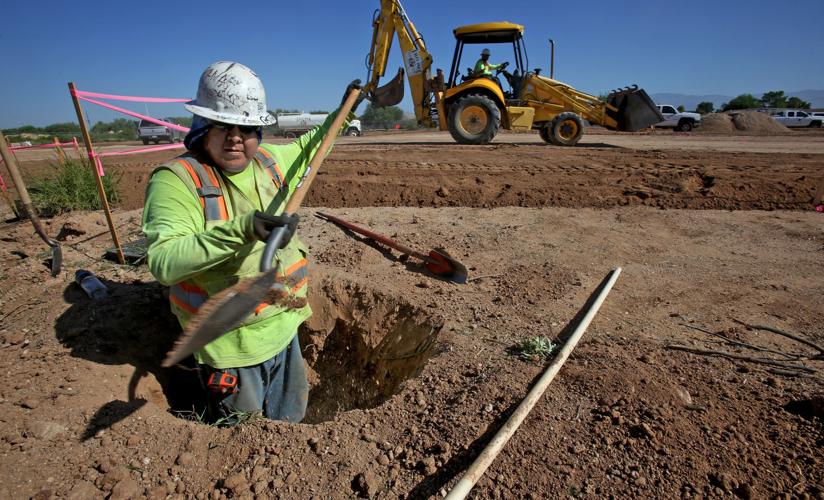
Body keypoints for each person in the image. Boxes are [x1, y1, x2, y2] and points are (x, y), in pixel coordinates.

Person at [142, 61, 360, 424]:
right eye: (223, 125)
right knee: (243, 438)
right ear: (202, 126)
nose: (235, 137)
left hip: (285, 328)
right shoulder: (176, 180)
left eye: (246, 128)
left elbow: (315, 144)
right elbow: (164, 261)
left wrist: (345, 108)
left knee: (290, 426)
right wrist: (242, 229)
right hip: (229, 346)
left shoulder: (269, 162)